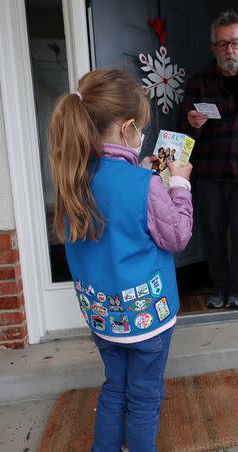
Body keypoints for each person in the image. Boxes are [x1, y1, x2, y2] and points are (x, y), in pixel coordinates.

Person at [49, 68, 194, 452]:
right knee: (145, 397)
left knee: (115, 388)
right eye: (140, 128)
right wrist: (179, 184)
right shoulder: (144, 185)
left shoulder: (73, 178)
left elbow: (113, 207)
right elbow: (177, 236)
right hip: (149, 318)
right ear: (128, 128)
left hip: (103, 317)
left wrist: (139, 172)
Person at [179, 10, 238, 309]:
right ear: (213, 47)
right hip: (209, 173)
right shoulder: (198, 82)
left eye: (235, 42)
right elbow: (181, 130)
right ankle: (219, 286)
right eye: (223, 44)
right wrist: (193, 124)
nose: (230, 50)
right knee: (212, 231)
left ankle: (235, 288)